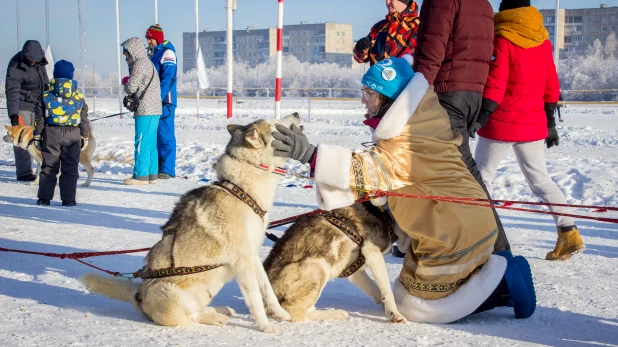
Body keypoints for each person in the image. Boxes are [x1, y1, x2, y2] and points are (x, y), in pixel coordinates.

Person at [272, 56, 536, 323]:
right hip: (467, 216)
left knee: (416, 305)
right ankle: (499, 271)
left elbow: (370, 170)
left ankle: (503, 286)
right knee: (432, 283)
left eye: (369, 93)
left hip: (453, 230)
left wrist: (310, 154)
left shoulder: (404, 141)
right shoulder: (422, 123)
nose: (363, 99)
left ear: (389, 98)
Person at [470, 0, 585, 261]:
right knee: (541, 180)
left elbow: (497, 82)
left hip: (502, 121)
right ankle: (569, 232)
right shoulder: (541, 39)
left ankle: (480, 237)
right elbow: (551, 83)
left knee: (481, 177)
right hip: (532, 123)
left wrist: (481, 116)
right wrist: (550, 123)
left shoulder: (504, 38)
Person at [412, 0, 511, 253]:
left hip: (448, 92)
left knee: (465, 175)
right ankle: (442, 245)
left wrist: (414, 95)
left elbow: (432, 49)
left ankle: (500, 255)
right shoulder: (484, 3)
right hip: (471, 94)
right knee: (444, 173)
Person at [35, 60, 90, 206]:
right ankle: (69, 200)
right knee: (70, 168)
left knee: (49, 167)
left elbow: (40, 118)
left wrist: (37, 136)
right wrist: (85, 135)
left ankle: (44, 199)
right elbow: (84, 118)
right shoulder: (78, 97)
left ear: (54, 75)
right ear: (71, 76)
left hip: (51, 133)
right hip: (73, 134)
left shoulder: (46, 96)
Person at [5, 40, 50, 182]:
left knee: (38, 136)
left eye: (34, 60)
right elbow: (12, 91)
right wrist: (14, 114)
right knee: (22, 138)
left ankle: (42, 167)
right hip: (22, 104)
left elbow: (45, 81)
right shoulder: (15, 65)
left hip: (38, 103)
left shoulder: (40, 62)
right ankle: (24, 172)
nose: (32, 62)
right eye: (29, 59)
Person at [121, 37, 162, 186]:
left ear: (132, 52)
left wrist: (126, 81)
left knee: (141, 143)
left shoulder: (139, 64)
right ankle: (152, 175)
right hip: (154, 109)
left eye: (126, 54)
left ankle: (140, 176)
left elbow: (131, 87)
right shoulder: (148, 63)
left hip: (146, 109)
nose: (126, 58)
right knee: (151, 144)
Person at [146, 24, 177, 179]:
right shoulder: (153, 54)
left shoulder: (168, 52)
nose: (148, 41)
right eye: (147, 38)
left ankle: (168, 169)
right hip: (154, 100)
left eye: (150, 38)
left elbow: (168, 78)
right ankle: (158, 167)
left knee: (166, 135)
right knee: (156, 135)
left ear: (157, 38)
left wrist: (159, 97)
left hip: (165, 101)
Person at [353, 0, 420, 66]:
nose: (388, 2)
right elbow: (360, 58)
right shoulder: (380, 27)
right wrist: (360, 48)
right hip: (378, 76)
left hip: (407, 76)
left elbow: (427, 62)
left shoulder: (420, 27)